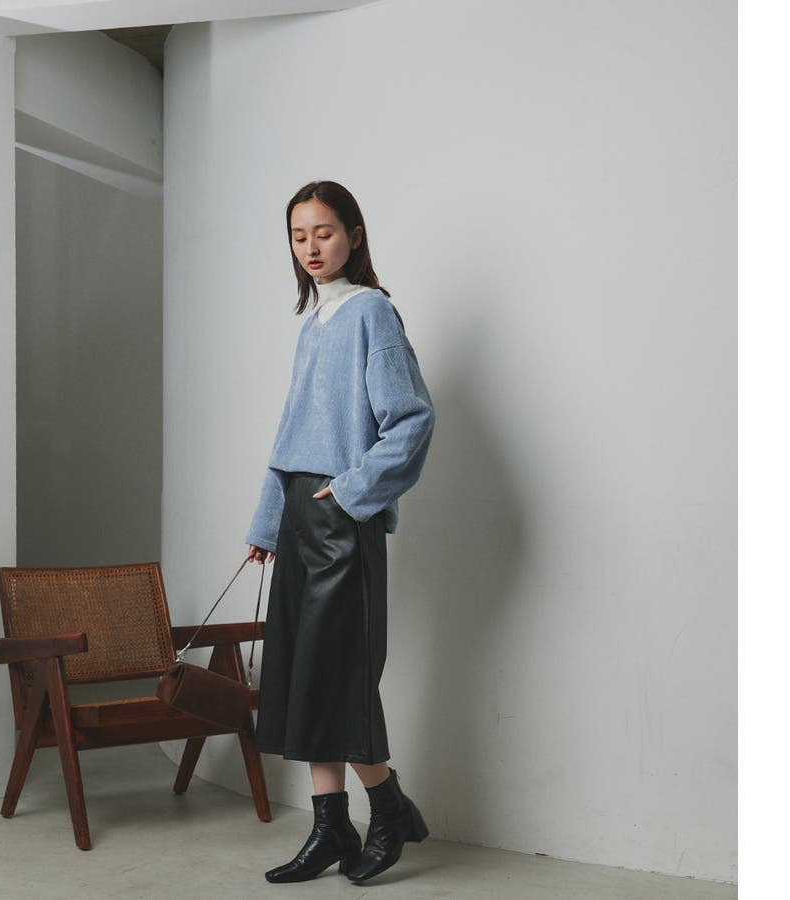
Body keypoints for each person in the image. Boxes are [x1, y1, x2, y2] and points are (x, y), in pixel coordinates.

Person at [244, 180, 436, 883]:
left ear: (354, 235)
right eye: (299, 236)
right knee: (302, 673)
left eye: (323, 232)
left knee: (338, 674)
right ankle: (330, 825)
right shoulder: (313, 325)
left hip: (339, 517)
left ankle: (387, 808)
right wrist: (271, 519)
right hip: (300, 514)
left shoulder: (371, 314)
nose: (311, 247)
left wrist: (351, 494)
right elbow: (291, 432)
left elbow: (411, 419)